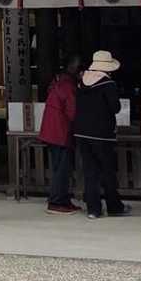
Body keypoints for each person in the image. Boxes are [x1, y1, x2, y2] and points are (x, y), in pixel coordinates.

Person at [73, 51, 126, 220]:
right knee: (107, 170)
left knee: (90, 172)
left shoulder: (81, 82)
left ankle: (93, 209)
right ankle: (114, 206)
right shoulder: (108, 84)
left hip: (82, 132)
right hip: (102, 134)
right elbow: (115, 107)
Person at [40, 55, 83, 215]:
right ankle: (57, 202)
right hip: (60, 133)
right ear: (73, 68)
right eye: (79, 67)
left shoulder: (59, 83)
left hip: (52, 131)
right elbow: (72, 112)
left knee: (60, 168)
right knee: (62, 169)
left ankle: (62, 199)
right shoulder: (67, 86)